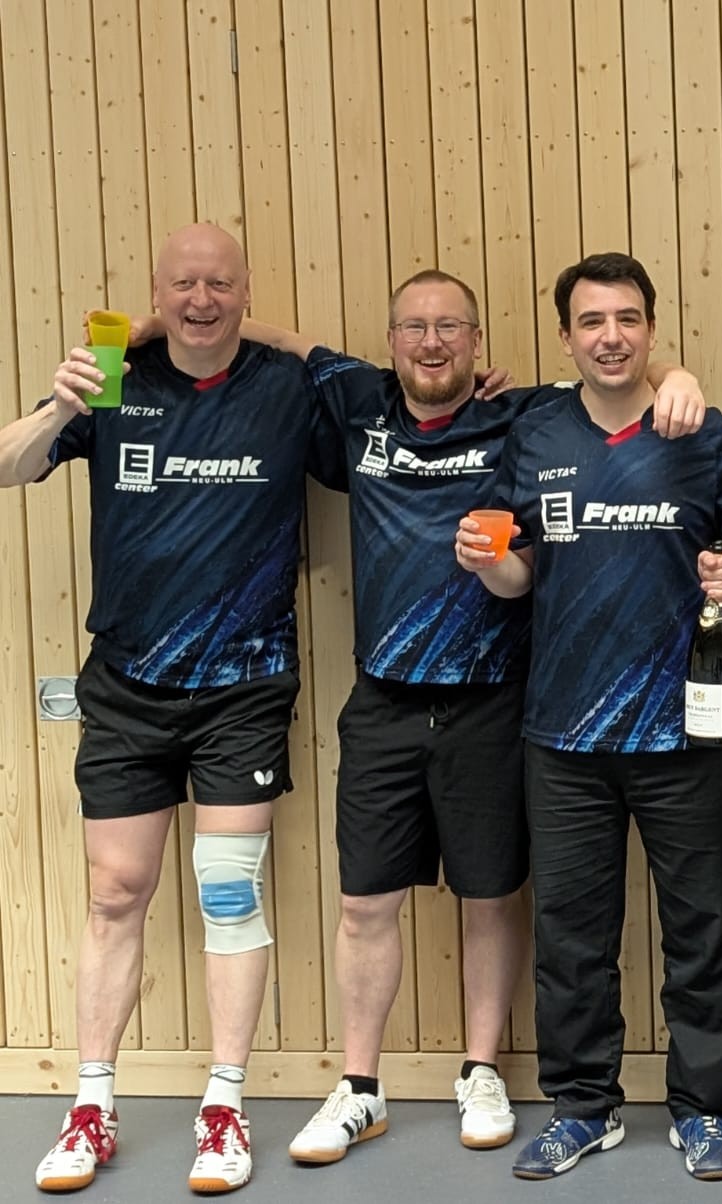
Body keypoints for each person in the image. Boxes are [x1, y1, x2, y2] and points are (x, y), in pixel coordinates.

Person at [131, 271, 704, 1165]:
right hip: (383, 701)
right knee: (364, 902)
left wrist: (678, 375)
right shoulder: (357, 401)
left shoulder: (522, 417)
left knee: (491, 896)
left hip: (493, 698)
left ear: (477, 341)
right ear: (391, 340)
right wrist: (148, 327)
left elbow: (616, 377)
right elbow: (273, 339)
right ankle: (360, 1087)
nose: (431, 343)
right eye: (413, 328)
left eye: (449, 328)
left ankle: (481, 1071)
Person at [0, 224, 337, 1195]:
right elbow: (11, 466)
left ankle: (223, 1106)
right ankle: (90, 1106)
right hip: (126, 685)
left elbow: (384, 417)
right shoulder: (108, 379)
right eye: (182, 285)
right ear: (156, 292)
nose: (201, 299)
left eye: (219, 283)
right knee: (116, 892)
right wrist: (62, 401)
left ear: (245, 290)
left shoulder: (287, 387)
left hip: (244, 683)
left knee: (227, 892)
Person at [456, 252, 722, 1184]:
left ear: (651, 328)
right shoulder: (534, 433)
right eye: (592, 321)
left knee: (704, 929)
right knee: (573, 936)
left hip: (685, 729)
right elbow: (519, 575)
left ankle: (703, 1109)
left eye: (628, 318)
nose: (611, 336)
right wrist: (488, 563)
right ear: (566, 338)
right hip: (564, 734)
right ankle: (583, 1107)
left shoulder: (704, 431)